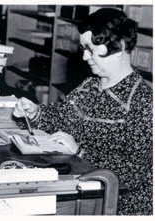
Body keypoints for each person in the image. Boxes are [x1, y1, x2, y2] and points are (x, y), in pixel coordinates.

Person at [13, 8, 152, 215]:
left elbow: (133, 172)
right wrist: (35, 113)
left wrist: (79, 151)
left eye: (91, 50)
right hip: (81, 188)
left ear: (120, 47)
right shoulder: (88, 85)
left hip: (119, 205)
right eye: (83, 49)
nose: (85, 57)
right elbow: (61, 118)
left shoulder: (143, 102)